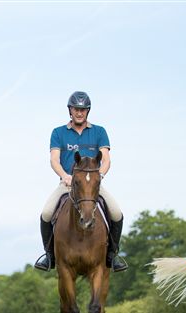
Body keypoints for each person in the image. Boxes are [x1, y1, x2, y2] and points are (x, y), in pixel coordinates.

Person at [34, 91, 128, 272]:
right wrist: (64, 176)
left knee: (117, 213)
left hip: (92, 185)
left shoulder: (99, 131)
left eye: (83, 110)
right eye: (76, 109)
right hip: (68, 184)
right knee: (46, 214)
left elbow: (106, 159)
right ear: (70, 110)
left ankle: (112, 255)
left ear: (88, 111)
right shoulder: (58, 132)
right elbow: (54, 159)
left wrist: (98, 176)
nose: (79, 113)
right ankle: (49, 256)